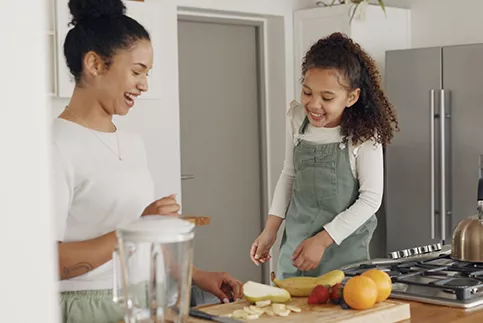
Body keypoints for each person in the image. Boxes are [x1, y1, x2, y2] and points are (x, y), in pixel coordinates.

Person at [52, 1, 242, 322]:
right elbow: (48, 262)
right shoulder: (55, 145)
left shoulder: (132, 142)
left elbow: (141, 238)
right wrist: (135, 227)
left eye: (147, 74)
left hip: (141, 300)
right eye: (137, 71)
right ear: (95, 64)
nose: (144, 84)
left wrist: (196, 275)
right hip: (84, 308)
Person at [250, 32, 399, 279]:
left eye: (327, 97)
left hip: (345, 252)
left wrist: (322, 240)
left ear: (351, 97)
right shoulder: (297, 119)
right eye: (307, 92)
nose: (314, 105)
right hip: (296, 248)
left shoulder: (363, 135)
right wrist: (270, 230)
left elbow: (370, 200)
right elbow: (289, 174)